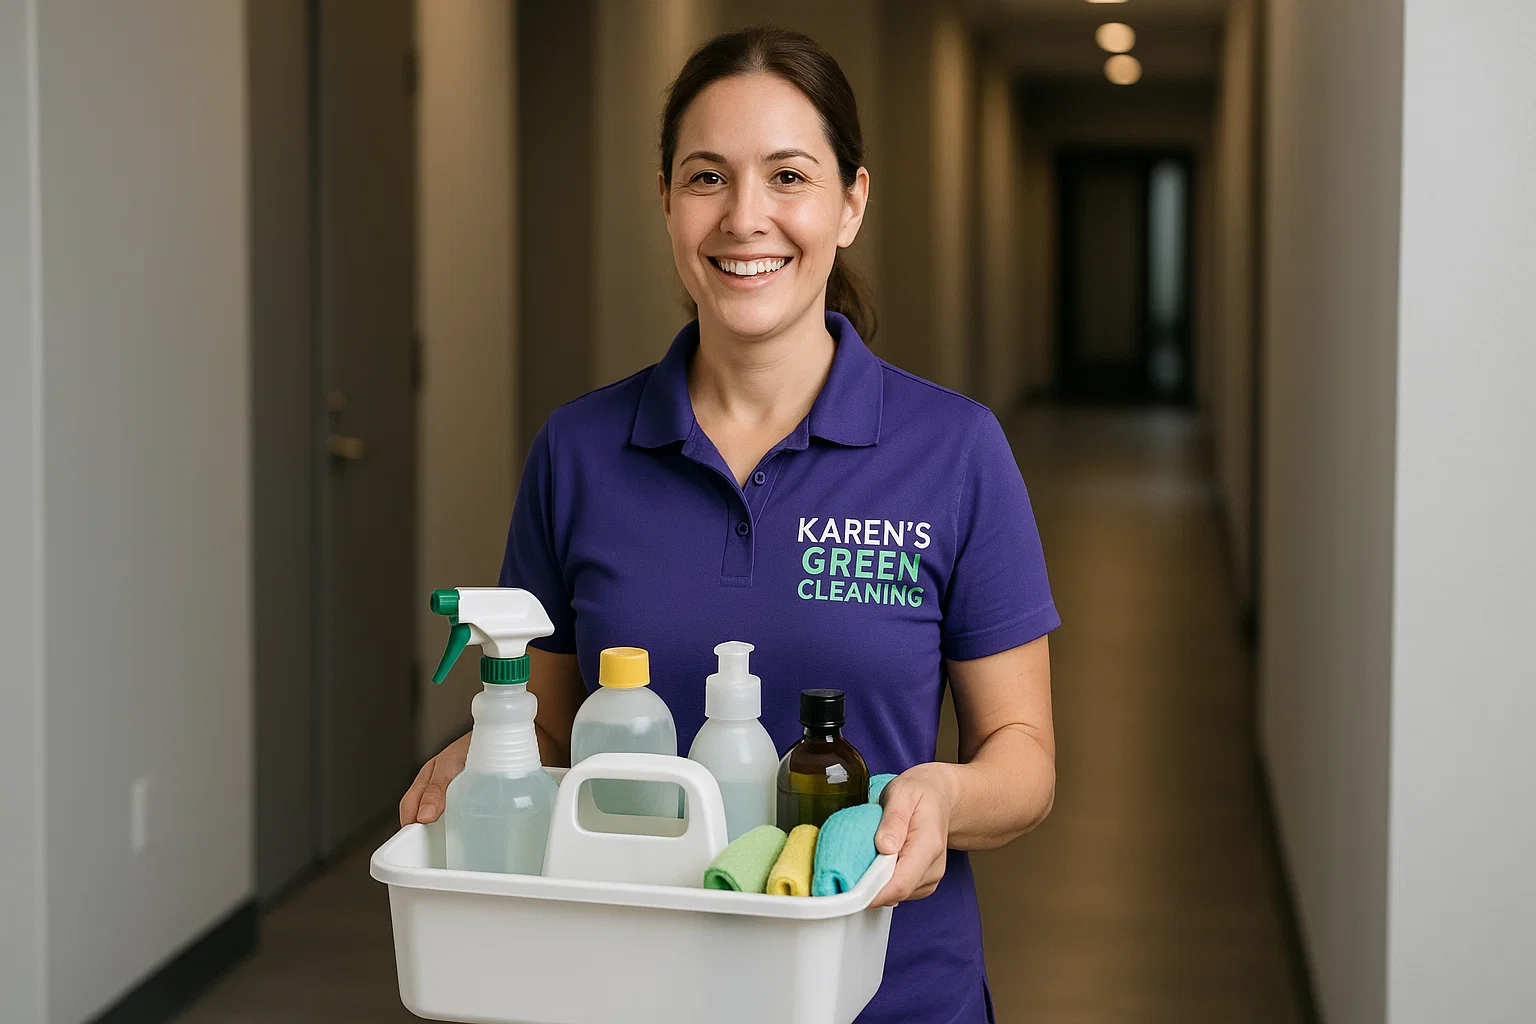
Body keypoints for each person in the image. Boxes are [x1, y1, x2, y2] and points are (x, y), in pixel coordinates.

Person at [399, 26, 1058, 1024]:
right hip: (626, 986)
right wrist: (485, 758)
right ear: (666, 199)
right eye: (708, 177)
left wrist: (943, 798)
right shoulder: (578, 454)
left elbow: (1022, 752)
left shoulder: (954, 453)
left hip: (888, 990)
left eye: (789, 176)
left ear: (852, 203)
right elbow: (541, 720)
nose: (746, 217)